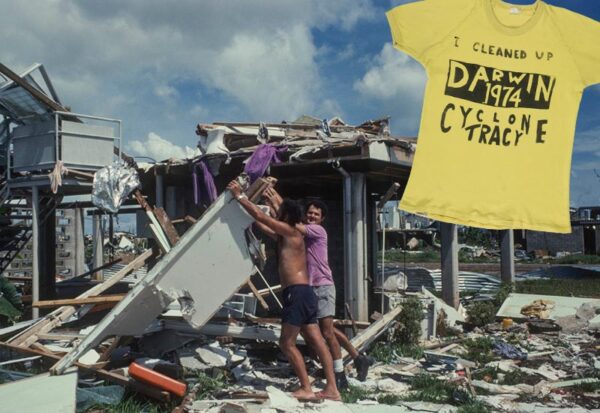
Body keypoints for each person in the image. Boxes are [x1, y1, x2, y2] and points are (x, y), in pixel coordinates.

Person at [227, 180, 340, 401]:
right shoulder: (287, 236)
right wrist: (259, 207)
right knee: (317, 341)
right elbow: (263, 224)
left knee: (286, 343)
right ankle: (332, 390)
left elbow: (264, 218)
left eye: (281, 215)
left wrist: (241, 196)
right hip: (306, 292)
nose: (278, 217)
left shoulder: (291, 231)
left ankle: (306, 387)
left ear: (286, 217)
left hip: (296, 294)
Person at [264, 188, 371, 388]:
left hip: (322, 286)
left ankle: (339, 375)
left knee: (327, 332)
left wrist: (274, 197)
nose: (312, 216)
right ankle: (357, 358)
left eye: (316, 214)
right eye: (310, 213)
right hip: (308, 288)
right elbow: (282, 224)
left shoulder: (316, 230)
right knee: (320, 332)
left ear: (321, 219)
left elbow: (288, 218)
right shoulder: (300, 233)